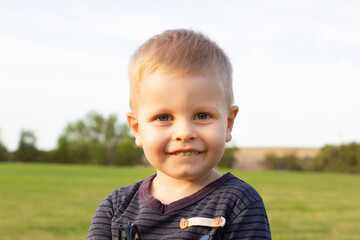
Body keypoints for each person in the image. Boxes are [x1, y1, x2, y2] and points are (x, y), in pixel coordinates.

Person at [87, 29, 271, 240]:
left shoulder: (239, 204)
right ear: (137, 128)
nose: (184, 133)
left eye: (202, 115)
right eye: (164, 117)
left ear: (228, 123)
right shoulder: (116, 208)